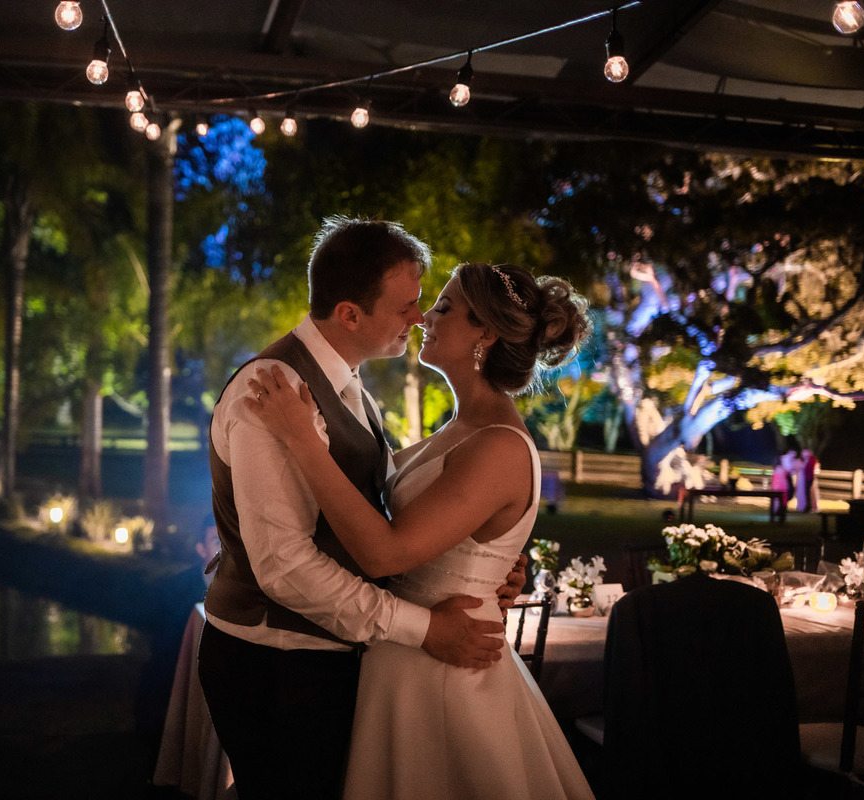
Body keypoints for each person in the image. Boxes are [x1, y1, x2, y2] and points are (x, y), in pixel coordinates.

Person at [198, 218, 527, 800]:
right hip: (279, 664)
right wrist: (425, 628)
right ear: (350, 314)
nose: (419, 317)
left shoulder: (353, 391)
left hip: (340, 658)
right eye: (408, 305)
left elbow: (392, 512)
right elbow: (285, 567)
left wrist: (480, 567)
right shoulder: (272, 393)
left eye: (429, 303)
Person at [248, 261, 595, 799]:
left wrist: (302, 441)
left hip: (447, 670)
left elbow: (385, 554)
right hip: (407, 655)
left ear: (485, 333)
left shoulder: (499, 445)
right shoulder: (462, 427)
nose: (424, 317)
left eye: (444, 307)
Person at [798, 448, 819, 512]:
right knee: (807, 492)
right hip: (807, 478)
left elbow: (810, 468)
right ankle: (808, 506)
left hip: (809, 478)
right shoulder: (809, 459)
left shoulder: (812, 459)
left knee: (808, 492)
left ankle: (808, 506)